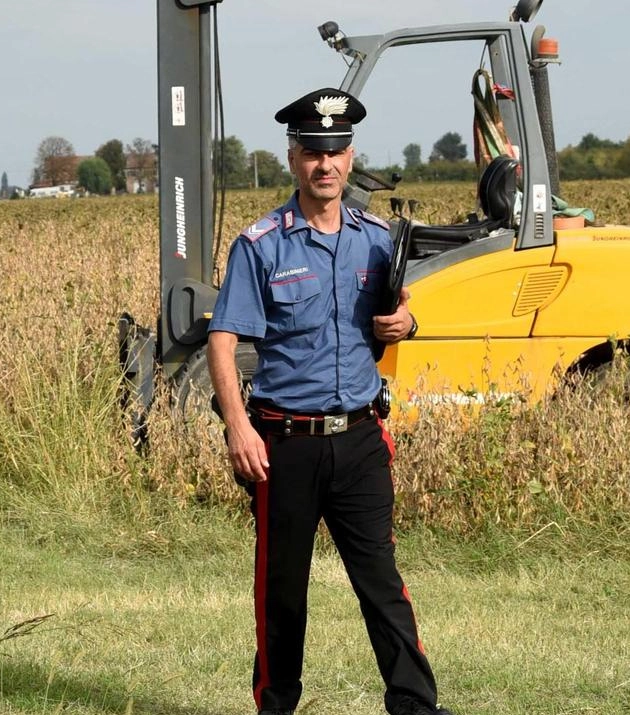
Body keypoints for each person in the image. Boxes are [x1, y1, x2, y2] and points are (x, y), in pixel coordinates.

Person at [206, 88, 451, 715]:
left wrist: (407, 324)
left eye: (337, 152)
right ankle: (277, 706)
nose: (326, 165)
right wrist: (238, 427)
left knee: (383, 584)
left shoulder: (376, 240)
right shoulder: (260, 245)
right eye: (314, 153)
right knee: (282, 591)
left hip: (362, 438)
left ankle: (416, 707)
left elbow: (395, 314)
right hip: (283, 444)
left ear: (350, 156)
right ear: (293, 159)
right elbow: (224, 339)